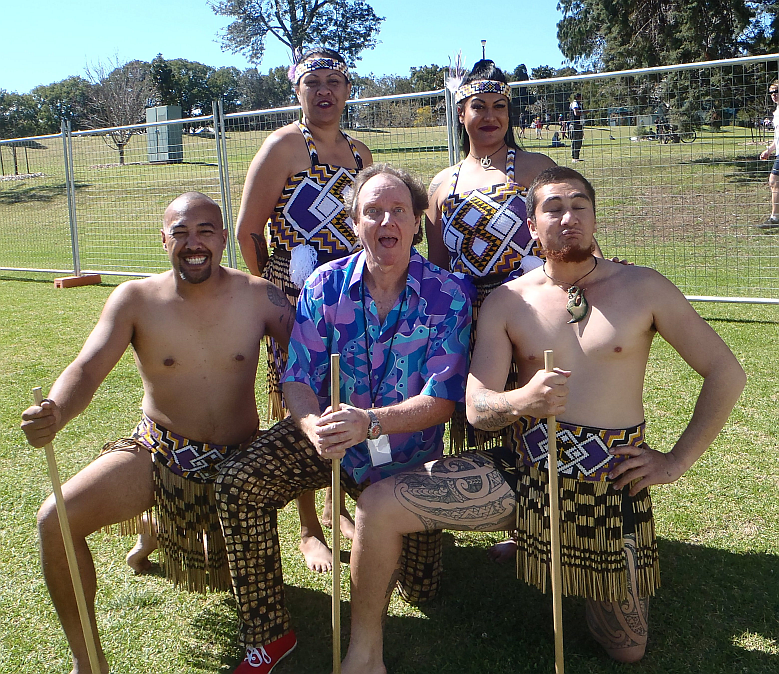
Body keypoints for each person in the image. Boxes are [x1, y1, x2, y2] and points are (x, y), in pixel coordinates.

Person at [340, 166, 745, 672]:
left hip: (606, 486)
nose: (567, 217)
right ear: (531, 226)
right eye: (552, 208)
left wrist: (674, 462)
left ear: (595, 218)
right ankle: (363, 653)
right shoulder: (510, 302)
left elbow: (726, 373)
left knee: (628, 647)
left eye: (579, 206)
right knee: (378, 505)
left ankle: (573, 562)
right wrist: (522, 401)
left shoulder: (644, 288)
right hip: (525, 474)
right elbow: (476, 406)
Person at [20, 192, 295, 674]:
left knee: (233, 572)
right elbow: (87, 368)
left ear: (224, 238)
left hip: (243, 465)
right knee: (54, 521)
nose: (194, 243)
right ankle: (88, 660)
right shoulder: (135, 299)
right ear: (164, 239)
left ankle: (154, 532)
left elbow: (314, 352)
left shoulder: (259, 296)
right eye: (182, 232)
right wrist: (56, 411)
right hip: (161, 450)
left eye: (206, 231)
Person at [214, 164, 471, 674]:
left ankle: (381, 540)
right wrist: (311, 426)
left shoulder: (450, 295)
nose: (385, 220)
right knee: (238, 482)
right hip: (331, 441)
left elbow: (443, 399)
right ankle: (268, 632)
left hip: (408, 459)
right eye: (372, 211)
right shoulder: (324, 286)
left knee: (423, 589)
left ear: (417, 221)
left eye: (398, 209)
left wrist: (369, 422)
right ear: (354, 223)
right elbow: (298, 378)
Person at [234, 47, 374, 571]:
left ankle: (340, 499)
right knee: (304, 398)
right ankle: (308, 525)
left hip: (352, 294)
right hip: (295, 298)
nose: (324, 91)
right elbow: (250, 230)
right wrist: (275, 291)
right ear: (297, 90)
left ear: (347, 89)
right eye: (313, 81)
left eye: (334, 81)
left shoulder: (360, 154)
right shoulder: (283, 148)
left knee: (349, 391)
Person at [758, 79, 779, 230]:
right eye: (771, 92)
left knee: (774, 181)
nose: (774, 95)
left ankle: (775, 217)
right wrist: (769, 150)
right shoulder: (776, 112)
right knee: (774, 182)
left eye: (776, 91)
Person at [570, 92, 584, 161]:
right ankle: (574, 157)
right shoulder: (575, 103)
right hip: (575, 125)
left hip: (579, 125)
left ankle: (577, 157)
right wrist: (584, 112)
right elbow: (576, 113)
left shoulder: (579, 104)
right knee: (575, 141)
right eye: (581, 97)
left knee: (579, 141)